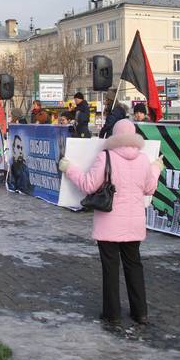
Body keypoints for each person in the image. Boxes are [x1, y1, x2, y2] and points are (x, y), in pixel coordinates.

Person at [58, 120, 162, 327]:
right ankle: (140, 313)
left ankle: (112, 314)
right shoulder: (142, 160)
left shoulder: (106, 157)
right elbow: (150, 189)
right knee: (134, 266)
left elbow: (88, 185)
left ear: (114, 135)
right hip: (134, 224)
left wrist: (69, 168)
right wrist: (156, 168)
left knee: (111, 269)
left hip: (109, 224)